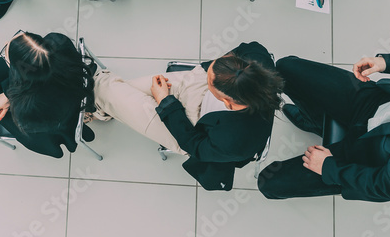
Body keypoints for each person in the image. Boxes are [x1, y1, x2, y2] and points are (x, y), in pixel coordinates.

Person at [258, 47, 390, 202]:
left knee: (269, 183)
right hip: (371, 103)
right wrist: (385, 63)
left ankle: (318, 124)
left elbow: (382, 186)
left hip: (364, 157)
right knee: (286, 68)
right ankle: (314, 122)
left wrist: (329, 168)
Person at [89, 42, 282, 191]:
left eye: (210, 82)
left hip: (191, 128)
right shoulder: (256, 59)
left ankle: (95, 99)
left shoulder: (235, 139)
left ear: (228, 102)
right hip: (195, 89)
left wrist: (165, 100)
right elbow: (249, 47)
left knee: (108, 92)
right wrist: (208, 75)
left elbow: (194, 145)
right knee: (119, 92)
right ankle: (100, 107)